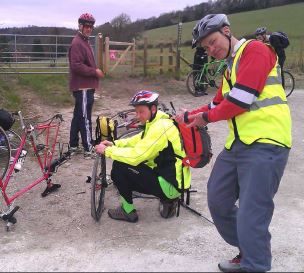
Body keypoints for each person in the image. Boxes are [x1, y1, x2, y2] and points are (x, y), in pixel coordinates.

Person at [176, 14, 291, 272]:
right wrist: (188, 116)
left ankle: (255, 264)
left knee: (252, 211)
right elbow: (217, 104)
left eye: (213, 42)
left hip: (267, 142)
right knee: (218, 199)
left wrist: (204, 119)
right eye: (206, 47)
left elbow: (240, 101)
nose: (211, 50)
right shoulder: (230, 68)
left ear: (227, 31)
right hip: (238, 144)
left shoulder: (255, 50)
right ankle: (250, 248)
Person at [95, 90, 191, 223]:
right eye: (136, 111)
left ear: (153, 109)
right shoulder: (159, 120)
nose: (138, 115)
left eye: (141, 111)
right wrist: (114, 144)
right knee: (126, 164)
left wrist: (107, 151)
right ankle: (168, 201)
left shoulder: (160, 127)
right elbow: (138, 140)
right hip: (174, 181)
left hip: (171, 185)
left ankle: (128, 211)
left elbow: (136, 156)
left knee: (119, 166)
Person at [68, 13, 104, 159]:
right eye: (86, 26)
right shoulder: (77, 43)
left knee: (78, 116)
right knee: (85, 117)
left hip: (86, 86)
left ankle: (73, 145)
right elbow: (76, 66)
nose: (89, 29)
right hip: (82, 87)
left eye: (91, 26)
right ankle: (88, 147)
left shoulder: (84, 41)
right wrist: (94, 71)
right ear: (80, 26)